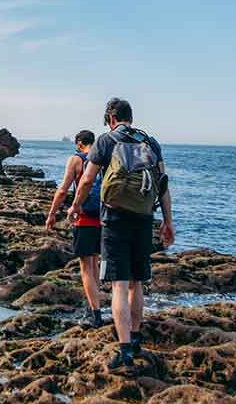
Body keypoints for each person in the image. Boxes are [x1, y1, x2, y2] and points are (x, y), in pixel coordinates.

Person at [69, 98, 175, 372]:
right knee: (137, 282)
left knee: (118, 283)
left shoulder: (106, 141)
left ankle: (125, 349)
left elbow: (88, 179)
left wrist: (76, 206)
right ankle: (137, 337)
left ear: (111, 118)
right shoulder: (150, 143)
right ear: (131, 116)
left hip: (114, 218)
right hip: (143, 218)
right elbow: (162, 185)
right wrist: (167, 222)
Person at [45, 130, 104, 328]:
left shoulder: (77, 160)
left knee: (85, 266)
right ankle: (93, 305)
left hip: (84, 217)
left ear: (79, 143)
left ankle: (95, 314)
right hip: (103, 219)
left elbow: (63, 189)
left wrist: (52, 213)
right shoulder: (102, 159)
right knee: (94, 261)